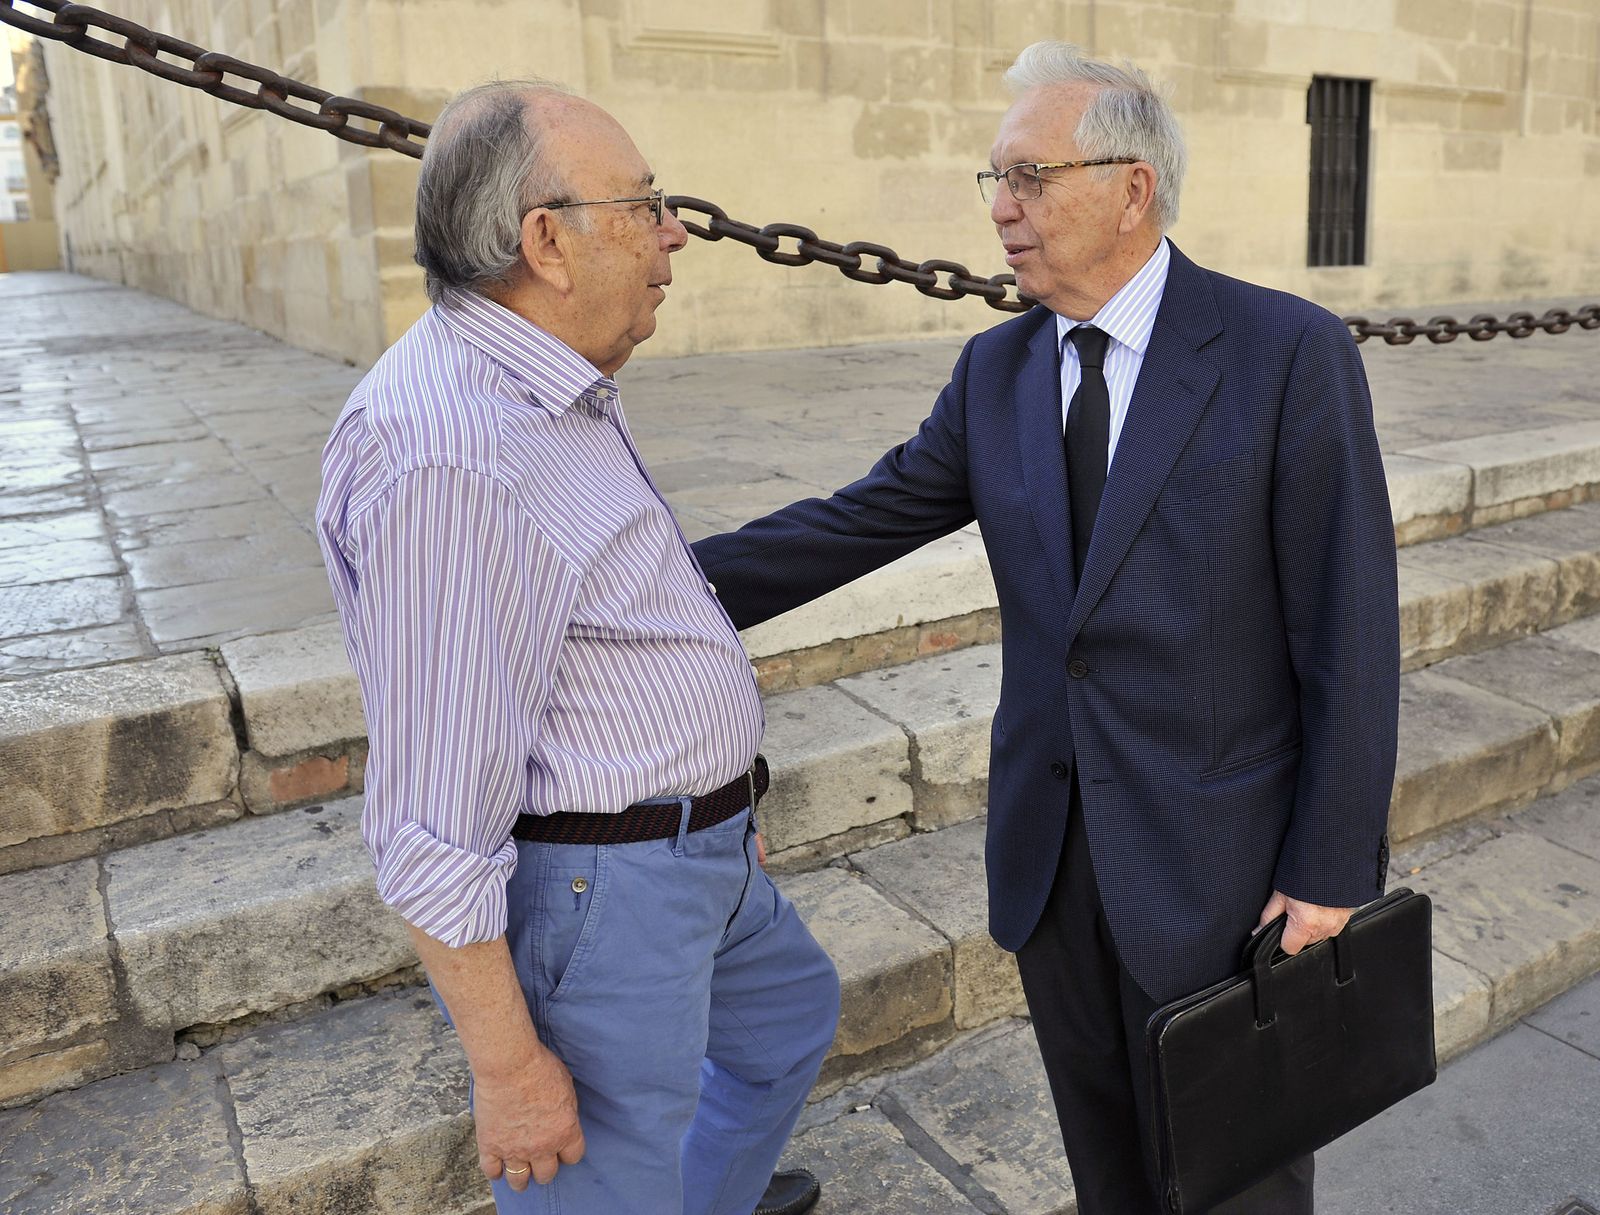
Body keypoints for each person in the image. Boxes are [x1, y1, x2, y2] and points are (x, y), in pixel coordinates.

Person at [693, 42, 1399, 1215]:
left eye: (1028, 177)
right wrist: (641, 588)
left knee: (1239, 1186)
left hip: (1223, 874)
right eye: (994, 182)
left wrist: (1327, 874)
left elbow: (1349, 633)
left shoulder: (1283, 354)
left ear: (1134, 186)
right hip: (1052, 865)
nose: (1001, 211)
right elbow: (856, 521)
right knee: (1107, 1167)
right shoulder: (997, 371)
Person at [316, 80, 838, 1215]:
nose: (674, 231)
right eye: (644, 203)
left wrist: (715, 806)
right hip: (604, 887)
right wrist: (508, 1069)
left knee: (787, 1022)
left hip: (700, 848)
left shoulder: (556, 379)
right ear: (545, 241)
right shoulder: (451, 455)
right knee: (596, 1187)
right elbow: (433, 820)